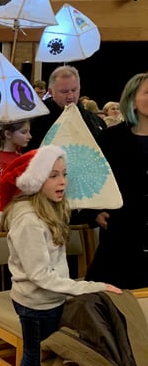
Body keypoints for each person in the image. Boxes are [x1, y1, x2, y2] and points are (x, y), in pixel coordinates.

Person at [0, 145, 121, 366]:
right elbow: (40, 275)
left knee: (48, 354)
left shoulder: (50, 207)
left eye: (64, 174)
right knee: (37, 355)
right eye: (53, 175)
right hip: (37, 305)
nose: (62, 181)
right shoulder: (28, 221)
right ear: (35, 181)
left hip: (50, 298)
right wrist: (90, 286)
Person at [85, 73, 148, 289]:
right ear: (132, 99)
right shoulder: (111, 138)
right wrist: (94, 212)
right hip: (122, 233)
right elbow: (90, 177)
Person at [26, 65, 106, 151]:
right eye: (64, 91)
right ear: (51, 92)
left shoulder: (95, 121)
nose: (70, 96)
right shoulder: (35, 122)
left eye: (74, 90)